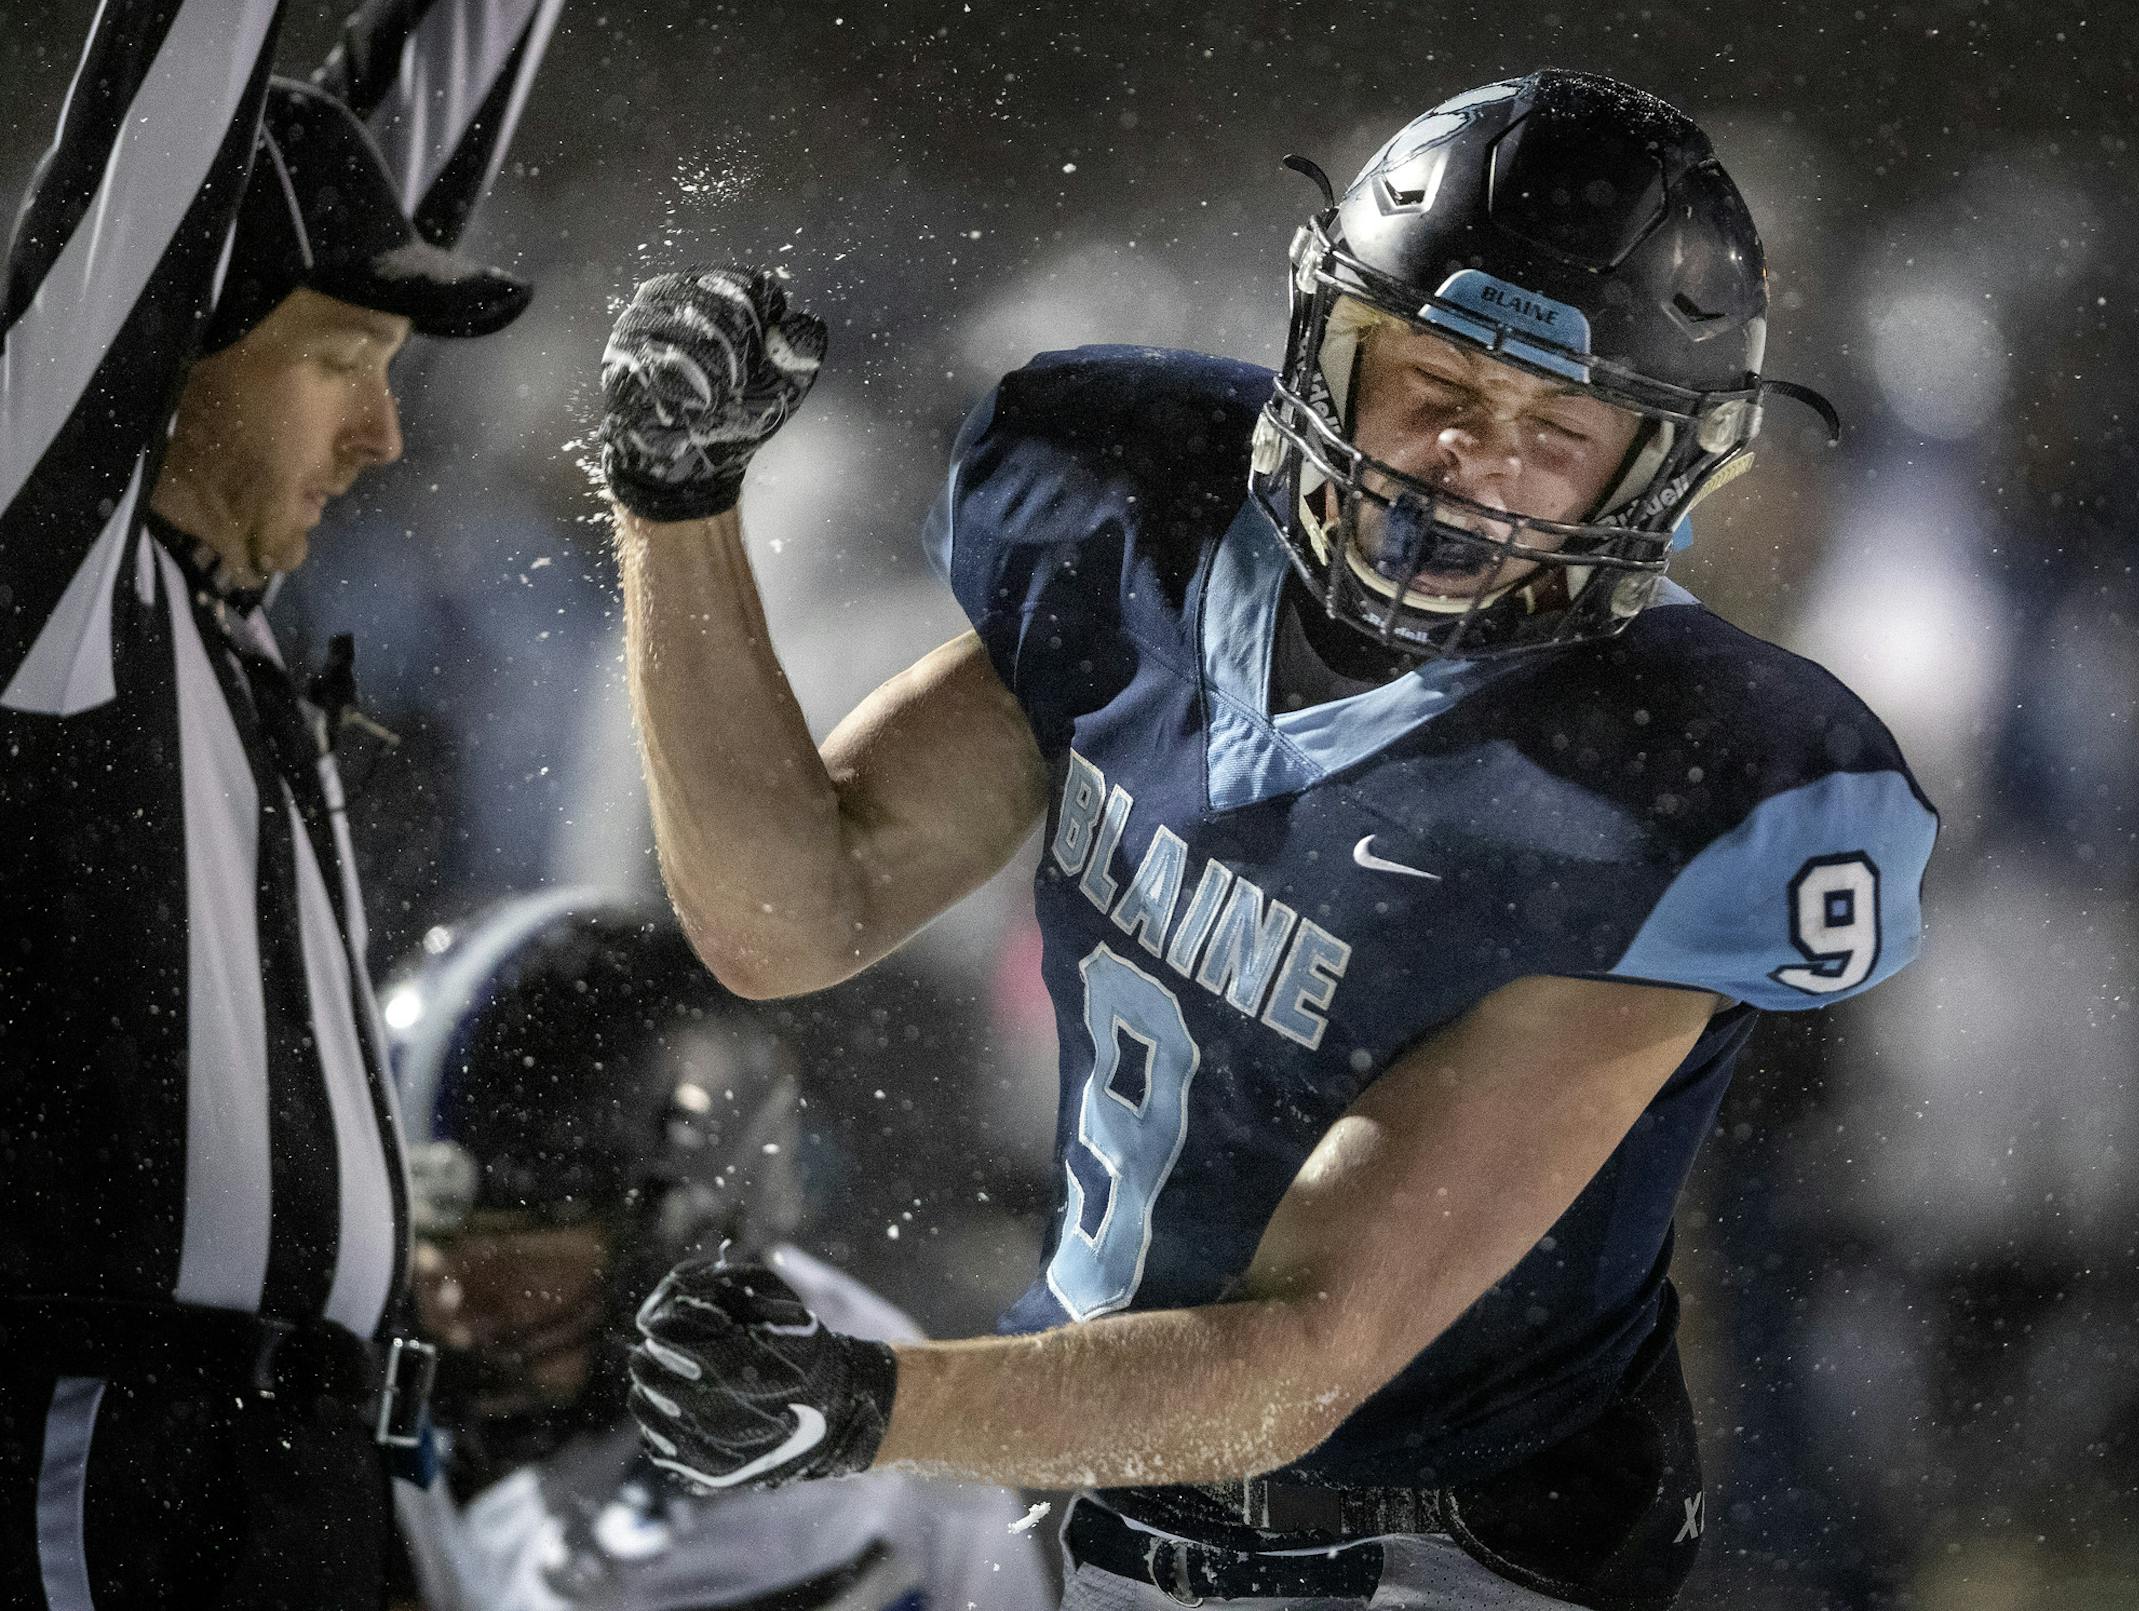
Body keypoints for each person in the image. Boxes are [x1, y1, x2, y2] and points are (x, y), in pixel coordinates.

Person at [594, 71, 1939, 1610]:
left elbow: (1298, 1359)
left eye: (1553, 428)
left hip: (1436, 1544)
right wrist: (677, 505)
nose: (1465, 463)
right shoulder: (1144, 538)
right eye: (1430, 378)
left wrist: (867, 1402)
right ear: (1324, 344)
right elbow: (790, 912)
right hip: (1094, 1473)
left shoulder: (1649, 792)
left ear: (1656, 468)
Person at [0, 0, 558, 1603]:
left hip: (302, 1480)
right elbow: (160, 135)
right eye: (340, 365)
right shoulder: (53, 606)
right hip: (131, 1469)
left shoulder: (214, 610)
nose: (385, 432)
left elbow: (377, 154)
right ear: (165, 343)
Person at [379, 891, 1057, 1611]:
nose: (453, 1302)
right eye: (428, 1249)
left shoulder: (796, 1485)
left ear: (683, 1238)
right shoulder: (505, 1402)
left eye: (514, 1259)